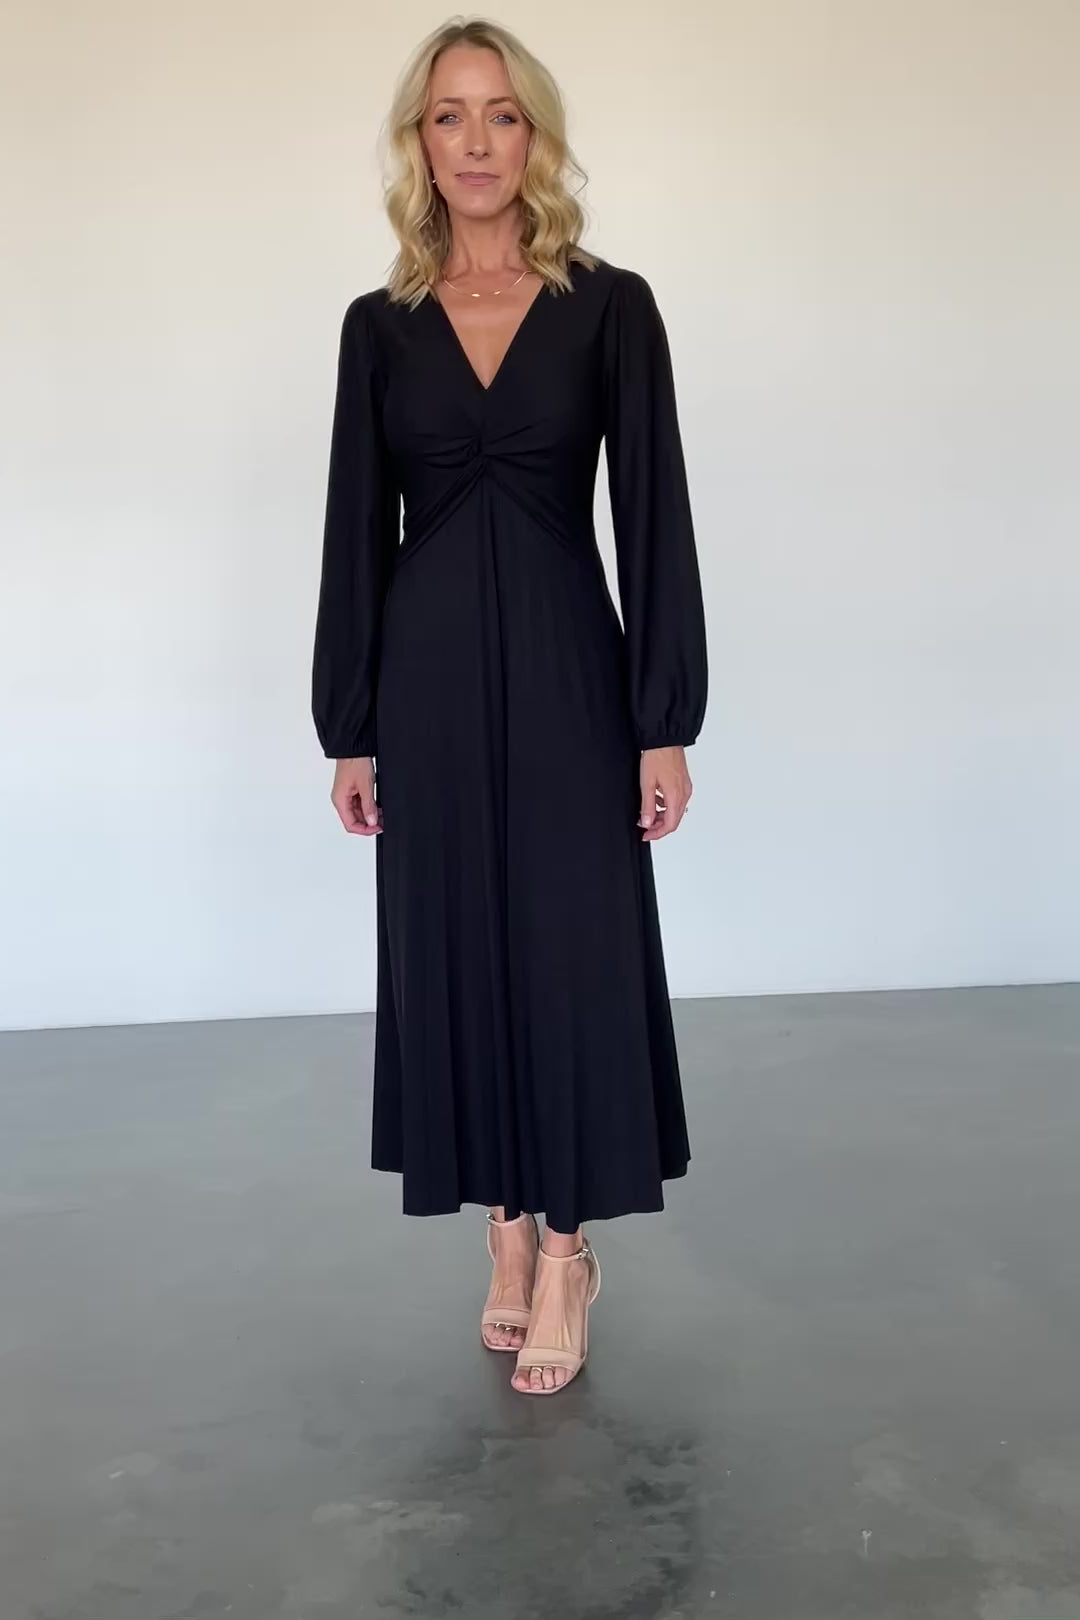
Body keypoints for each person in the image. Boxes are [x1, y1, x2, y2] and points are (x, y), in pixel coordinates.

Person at [311, 16, 708, 1396]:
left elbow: (653, 518)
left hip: (565, 671)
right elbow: (354, 534)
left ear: (534, 136)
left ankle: (570, 1249)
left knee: (571, 946)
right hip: (424, 681)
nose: (474, 142)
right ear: (417, 144)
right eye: (447, 116)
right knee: (457, 943)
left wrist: (663, 719)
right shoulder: (380, 327)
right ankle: (504, 1228)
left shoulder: (610, 306)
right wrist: (351, 724)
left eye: (500, 115)